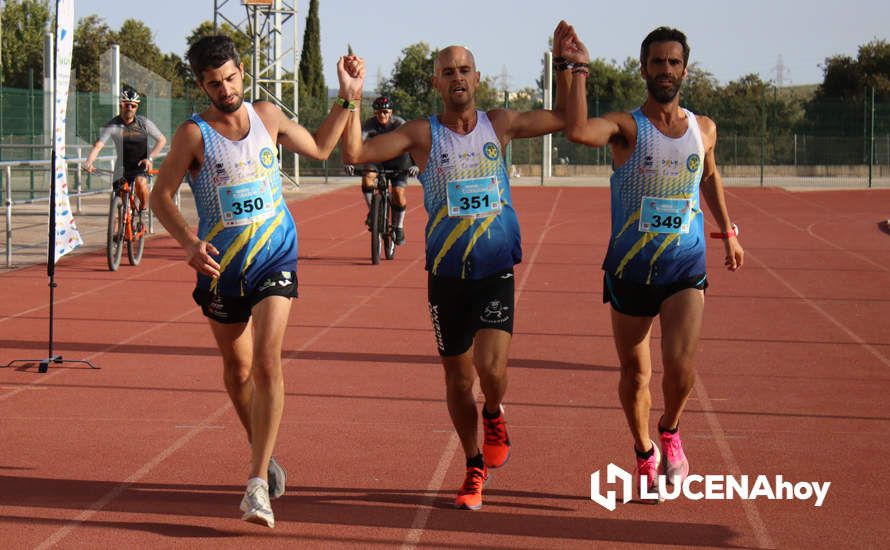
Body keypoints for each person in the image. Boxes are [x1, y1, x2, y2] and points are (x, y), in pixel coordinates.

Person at [341, 24, 572, 510]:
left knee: (491, 370)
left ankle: (495, 412)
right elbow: (356, 154)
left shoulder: (500, 123)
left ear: (478, 78)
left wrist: (570, 66)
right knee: (456, 379)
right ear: (436, 84)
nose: (457, 77)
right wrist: (352, 98)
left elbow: (566, 119)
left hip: (494, 269)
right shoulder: (423, 134)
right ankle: (472, 466)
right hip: (446, 277)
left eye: (464, 69)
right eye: (447, 72)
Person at [149, 35, 362, 528]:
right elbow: (161, 195)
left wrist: (347, 94)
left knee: (267, 363)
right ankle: (263, 451)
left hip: (276, 258)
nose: (224, 89)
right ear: (201, 85)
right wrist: (186, 242)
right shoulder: (194, 135)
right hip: (222, 269)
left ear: (242, 71)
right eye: (213, 83)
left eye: (229, 78)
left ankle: (255, 484)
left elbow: (325, 147)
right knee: (237, 371)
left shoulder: (268, 116)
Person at [560, 23, 744, 500]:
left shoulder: (703, 129)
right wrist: (575, 68)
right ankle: (644, 452)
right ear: (644, 68)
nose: (666, 69)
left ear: (685, 68)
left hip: (686, 265)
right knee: (636, 374)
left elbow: (710, 177)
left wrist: (728, 232)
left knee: (681, 369)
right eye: (657, 62)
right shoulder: (626, 128)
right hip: (631, 270)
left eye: (674, 62)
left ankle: (670, 430)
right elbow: (578, 131)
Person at [346, 96, 418, 245]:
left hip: (399, 161)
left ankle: (398, 227)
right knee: (367, 177)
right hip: (377, 159)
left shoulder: (400, 124)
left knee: (398, 193)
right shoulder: (369, 124)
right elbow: (358, 143)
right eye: (378, 112)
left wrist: (415, 164)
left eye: (385, 112)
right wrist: (349, 161)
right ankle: (373, 212)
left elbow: (412, 143)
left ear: (390, 112)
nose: (382, 115)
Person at [84, 88, 167, 212]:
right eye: (126, 104)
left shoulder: (143, 123)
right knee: (120, 196)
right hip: (122, 166)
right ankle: (121, 223)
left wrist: (149, 159)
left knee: (140, 183)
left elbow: (162, 140)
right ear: (120, 105)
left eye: (133, 106)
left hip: (141, 165)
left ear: (137, 107)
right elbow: (98, 145)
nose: (129, 108)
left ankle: (144, 208)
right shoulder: (113, 125)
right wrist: (89, 162)